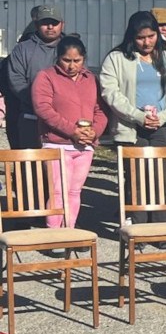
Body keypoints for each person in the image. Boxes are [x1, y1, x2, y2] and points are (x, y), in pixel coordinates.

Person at [100, 11, 166, 224]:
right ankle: (138, 228)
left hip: (164, 125)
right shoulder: (117, 58)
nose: (146, 42)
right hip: (131, 127)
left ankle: (163, 228)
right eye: (141, 37)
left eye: (151, 36)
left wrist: (163, 116)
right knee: (136, 179)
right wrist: (138, 116)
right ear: (131, 37)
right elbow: (110, 92)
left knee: (164, 178)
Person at [31, 37, 107, 228]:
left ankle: (69, 229)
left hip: (85, 146)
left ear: (83, 59)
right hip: (57, 143)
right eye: (66, 60)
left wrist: (95, 132)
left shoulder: (91, 79)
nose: (72, 66)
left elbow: (101, 110)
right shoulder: (46, 76)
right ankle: (53, 232)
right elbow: (43, 109)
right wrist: (72, 131)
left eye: (77, 61)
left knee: (74, 191)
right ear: (58, 58)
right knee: (58, 190)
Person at [7, 3, 65, 148]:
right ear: (36, 24)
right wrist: (40, 102)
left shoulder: (71, 48)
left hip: (63, 118)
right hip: (30, 117)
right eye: (45, 23)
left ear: (62, 25)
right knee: (31, 166)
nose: (50, 27)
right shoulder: (22, 50)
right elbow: (16, 81)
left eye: (54, 23)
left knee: (58, 167)